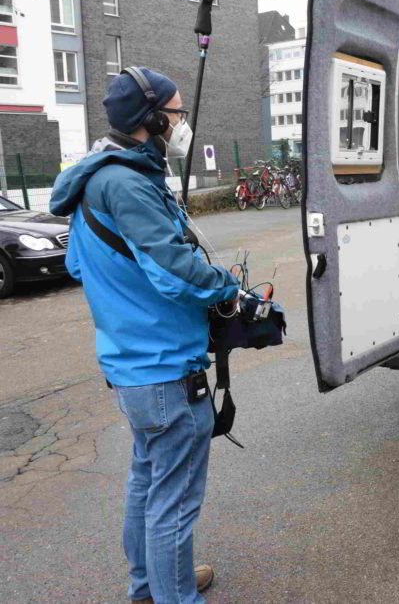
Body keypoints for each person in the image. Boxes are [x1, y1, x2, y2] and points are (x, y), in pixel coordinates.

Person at [50, 67, 239, 604]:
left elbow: (83, 268)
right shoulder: (128, 183)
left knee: (148, 483)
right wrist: (228, 290)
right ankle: (174, 595)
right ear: (153, 120)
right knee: (173, 502)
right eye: (177, 114)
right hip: (162, 370)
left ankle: (149, 585)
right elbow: (175, 271)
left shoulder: (100, 177)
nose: (182, 123)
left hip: (133, 365)